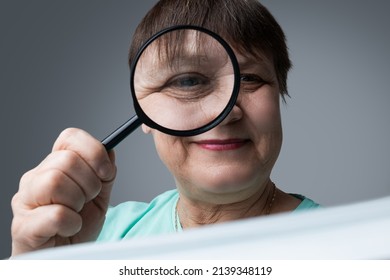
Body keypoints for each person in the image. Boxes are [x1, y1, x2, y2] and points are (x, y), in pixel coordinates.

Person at [10, 0, 320, 256]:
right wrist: (37, 266)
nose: (225, 114)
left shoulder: (350, 246)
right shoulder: (92, 233)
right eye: (187, 82)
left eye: (249, 79)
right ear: (144, 112)